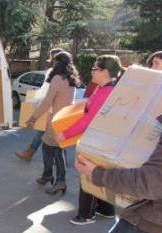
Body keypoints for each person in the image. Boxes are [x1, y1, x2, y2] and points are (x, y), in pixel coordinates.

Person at [54, 55, 125, 225]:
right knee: (101, 173)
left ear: (105, 72)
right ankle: (106, 210)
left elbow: (89, 119)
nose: (92, 71)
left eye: (95, 69)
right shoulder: (106, 87)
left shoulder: (106, 91)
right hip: (104, 140)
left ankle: (87, 214)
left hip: (98, 141)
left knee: (88, 175)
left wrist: (65, 134)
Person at [27, 51, 81, 194]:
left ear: (58, 63)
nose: (52, 63)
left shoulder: (58, 78)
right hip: (64, 119)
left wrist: (33, 118)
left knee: (57, 152)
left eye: (54, 61)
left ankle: (60, 181)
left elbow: (46, 102)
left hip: (56, 121)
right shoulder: (71, 79)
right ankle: (48, 174)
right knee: (48, 147)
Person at [16, 48, 63, 161]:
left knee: (46, 133)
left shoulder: (52, 72)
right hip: (60, 109)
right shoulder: (68, 73)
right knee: (46, 133)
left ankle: (57, 161)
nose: (50, 59)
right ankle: (31, 153)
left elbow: (45, 90)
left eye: (51, 57)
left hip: (50, 107)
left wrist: (35, 101)